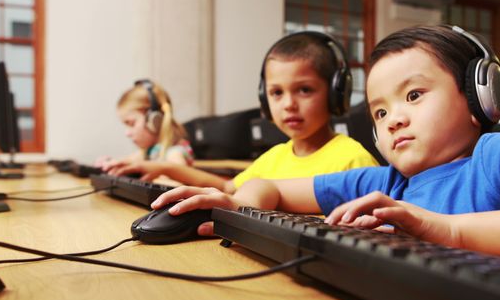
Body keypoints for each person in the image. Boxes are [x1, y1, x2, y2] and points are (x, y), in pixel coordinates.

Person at [151, 25, 500, 269]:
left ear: (480, 97)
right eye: (379, 112)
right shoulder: (387, 182)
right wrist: (235, 201)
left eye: (413, 96)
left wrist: (448, 231)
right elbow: (270, 187)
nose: (395, 120)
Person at [106, 32, 378, 197]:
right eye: (276, 93)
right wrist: (162, 168)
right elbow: (227, 189)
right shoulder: (274, 157)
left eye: (304, 90)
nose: (288, 104)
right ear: (263, 97)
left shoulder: (353, 159)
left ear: (335, 94)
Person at [96, 79, 194, 168]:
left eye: (131, 124)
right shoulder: (151, 151)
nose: (127, 133)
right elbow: (130, 160)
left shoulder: (174, 153)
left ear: (154, 120)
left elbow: (181, 178)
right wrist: (110, 162)